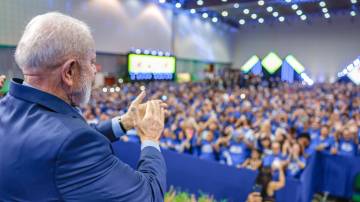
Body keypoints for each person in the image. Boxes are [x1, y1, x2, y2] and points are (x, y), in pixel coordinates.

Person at [0, 12, 167, 201]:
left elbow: (55, 144)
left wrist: (124, 123)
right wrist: (151, 138)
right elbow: (149, 196)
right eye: (92, 62)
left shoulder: (6, 107)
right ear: (69, 71)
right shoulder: (72, 143)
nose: (95, 70)